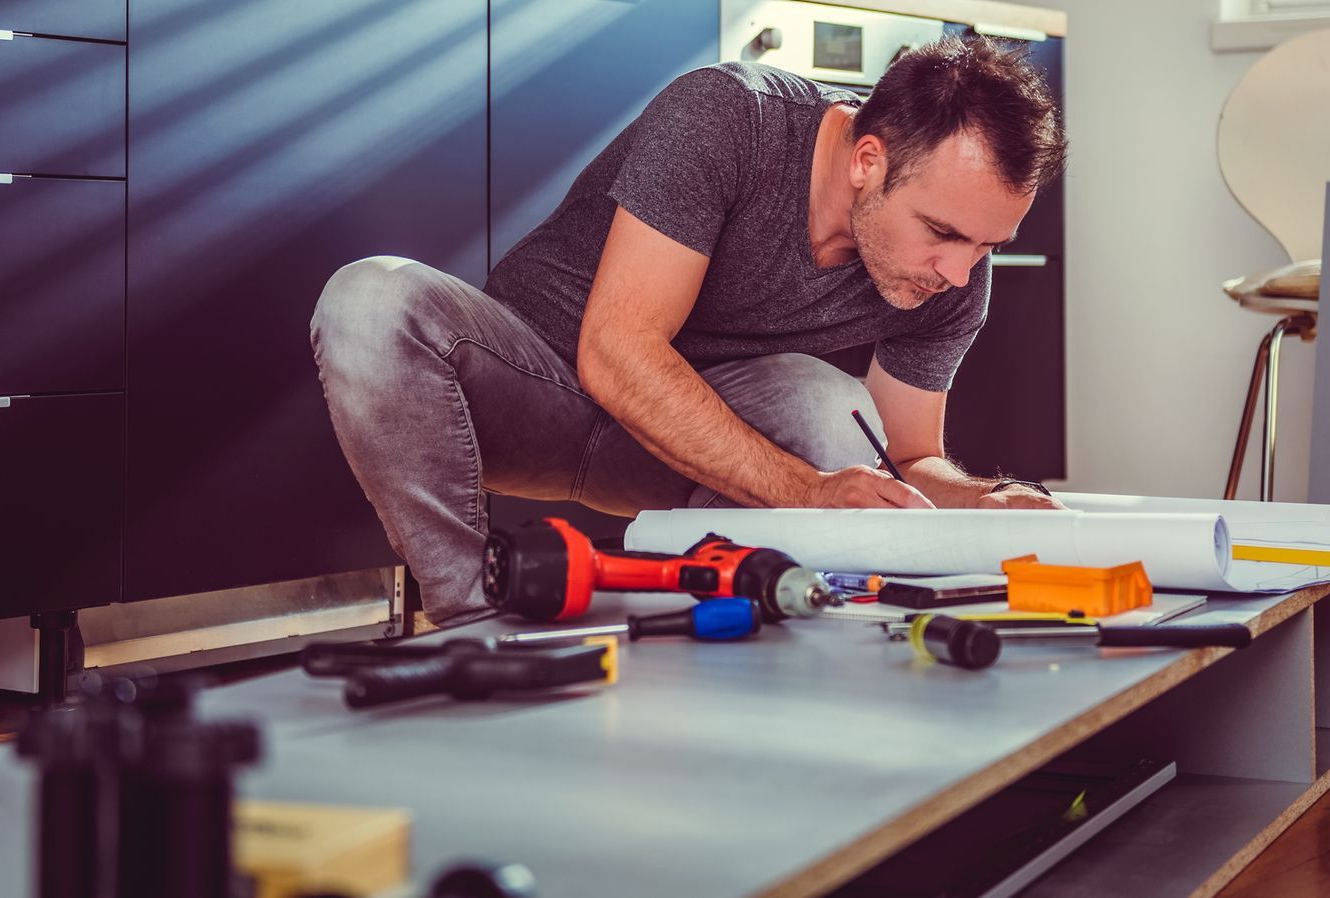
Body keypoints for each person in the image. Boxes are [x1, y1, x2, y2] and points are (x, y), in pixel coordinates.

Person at [310, 33, 1068, 624]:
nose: (961, 272)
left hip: (690, 460)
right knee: (370, 299)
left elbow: (908, 454)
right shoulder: (728, 116)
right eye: (942, 232)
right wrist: (807, 492)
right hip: (535, 392)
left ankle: (735, 625)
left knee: (825, 404)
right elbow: (615, 355)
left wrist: (982, 499)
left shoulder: (954, 267)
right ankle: (467, 612)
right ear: (868, 161)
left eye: (986, 246)